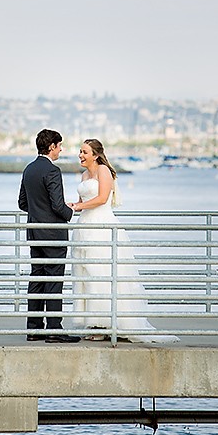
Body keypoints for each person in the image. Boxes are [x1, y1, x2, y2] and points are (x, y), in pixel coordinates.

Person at [69, 138, 179, 343]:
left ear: (96, 154)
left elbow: (102, 199)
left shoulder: (104, 171)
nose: (80, 155)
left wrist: (77, 207)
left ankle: (107, 323)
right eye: (80, 152)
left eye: (84, 152)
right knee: (86, 274)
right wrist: (74, 205)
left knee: (102, 273)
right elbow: (84, 202)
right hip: (84, 227)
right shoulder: (85, 174)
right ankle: (94, 322)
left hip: (101, 226)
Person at [18, 129, 80, 343]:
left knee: (37, 278)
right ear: (51, 146)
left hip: (35, 232)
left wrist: (38, 213)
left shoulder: (29, 169)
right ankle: (54, 329)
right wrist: (70, 212)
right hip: (53, 233)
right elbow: (57, 204)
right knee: (53, 280)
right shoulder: (52, 171)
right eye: (59, 145)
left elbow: (22, 203)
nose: (61, 149)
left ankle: (34, 329)